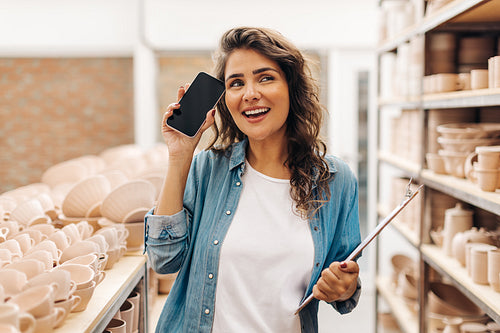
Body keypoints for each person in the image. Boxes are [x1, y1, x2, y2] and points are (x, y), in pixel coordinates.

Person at [144, 26, 362, 333]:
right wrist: (180, 154)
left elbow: (345, 281)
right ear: (225, 99)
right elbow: (163, 260)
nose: (249, 94)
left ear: (291, 87)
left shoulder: (335, 181)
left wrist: (345, 287)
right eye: (236, 83)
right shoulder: (207, 170)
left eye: (265, 77)